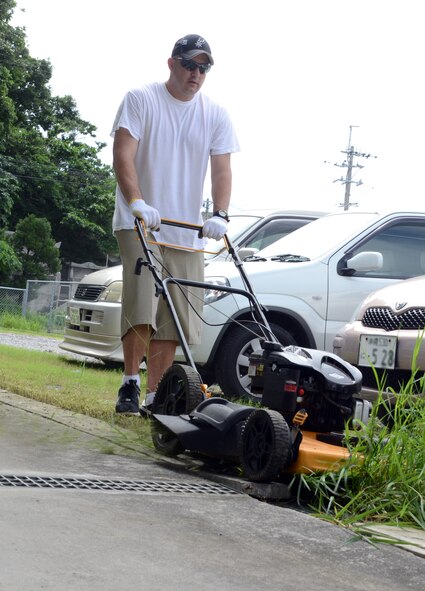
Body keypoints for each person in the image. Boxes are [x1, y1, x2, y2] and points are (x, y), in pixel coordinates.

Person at [111, 34, 240, 416]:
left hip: (186, 229)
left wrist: (219, 214)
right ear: (172, 63)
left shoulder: (215, 114)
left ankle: (155, 396)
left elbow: (222, 168)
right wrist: (136, 201)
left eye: (204, 68)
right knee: (143, 301)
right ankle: (130, 385)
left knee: (174, 314)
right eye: (189, 65)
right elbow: (122, 153)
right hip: (141, 223)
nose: (196, 74)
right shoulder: (141, 99)